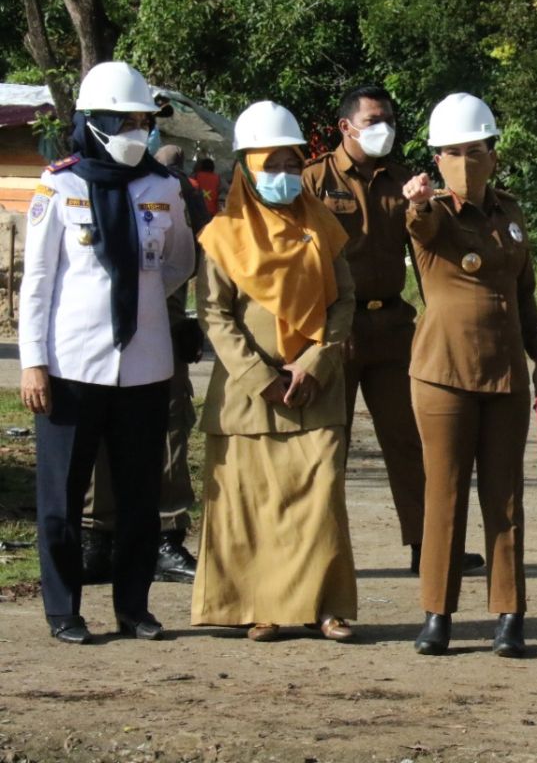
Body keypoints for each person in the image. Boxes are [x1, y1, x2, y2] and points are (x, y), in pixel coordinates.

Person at [18, 61, 194, 643]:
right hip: (70, 367)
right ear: (93, 122)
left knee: (141, 496)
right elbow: (38, 281)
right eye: (125, 120)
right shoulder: (58, 186)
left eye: (143, 121)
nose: (136, 131)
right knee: (62, 498)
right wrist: (32, 361)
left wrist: (138, 296)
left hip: (143, 364)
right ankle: (64, 609)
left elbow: (178, 263)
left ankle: (134, 607)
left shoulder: (163, 188)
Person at [191, 101, 357, 643]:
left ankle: (326, 608)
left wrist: (316, 359)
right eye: (272, 166)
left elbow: (344, 299)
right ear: (247, 170)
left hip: (317, 387)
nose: (284, 176)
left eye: (291, 165)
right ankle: (258, 607)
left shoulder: (323, 227)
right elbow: (214, 315)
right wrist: (262, 377)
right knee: (252, 505)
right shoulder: (221, 235)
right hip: (250, 396)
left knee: (320, 498)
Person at [302, 85, 483, 575]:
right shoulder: (314, 180)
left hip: (393, 326)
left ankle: (430, 546)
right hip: (334, 329)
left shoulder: (404, 181)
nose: (384, 126)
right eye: (373, 118)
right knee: (326, 444)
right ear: (346, 127)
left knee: (411, 440)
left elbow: (429, 255)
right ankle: (318, 551)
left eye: (389, 118)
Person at [401, 93, 537, 658]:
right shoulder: (435, 214)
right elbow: (416, 227)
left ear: (493, 153)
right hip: (443, 373)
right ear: (436, 160)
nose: (464, 161)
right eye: (452, 152)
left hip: (506, 372)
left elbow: (525, 288)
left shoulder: (509, 214)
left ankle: (509, 614)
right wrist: (414, 202)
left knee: (505, 497)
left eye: (475, 150)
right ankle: (437, 613)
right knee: (443, 495)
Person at [82, 144, 211, 586]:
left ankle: (166, 536)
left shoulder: (175, 188)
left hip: (162, 320)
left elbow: (202, 254)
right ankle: (97, 537)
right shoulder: (80, 180)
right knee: (95, 426)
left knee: (170, 427)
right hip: (94, 327)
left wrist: (182, 316)